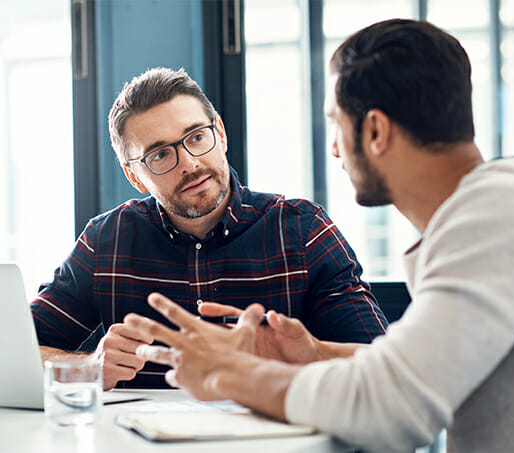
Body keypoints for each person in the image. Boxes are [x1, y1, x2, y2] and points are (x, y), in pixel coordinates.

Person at [124, 19, 514, 452]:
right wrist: (314, 353)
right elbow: (422, 367)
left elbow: (392, 408)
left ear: (375, 132)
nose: (333, 148)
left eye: (336, 124)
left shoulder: (496, 219)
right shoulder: (500, 208)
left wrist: (229, 373)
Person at [30, 67, 388, 390]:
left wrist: (301, 353)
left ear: (220, 133)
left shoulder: (304, 230)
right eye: (160, 155)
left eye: (197, 136)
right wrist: (86, 367)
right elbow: (14, 353)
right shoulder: (105, 242)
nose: (189, 162)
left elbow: (382, 367)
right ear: (134, 176)